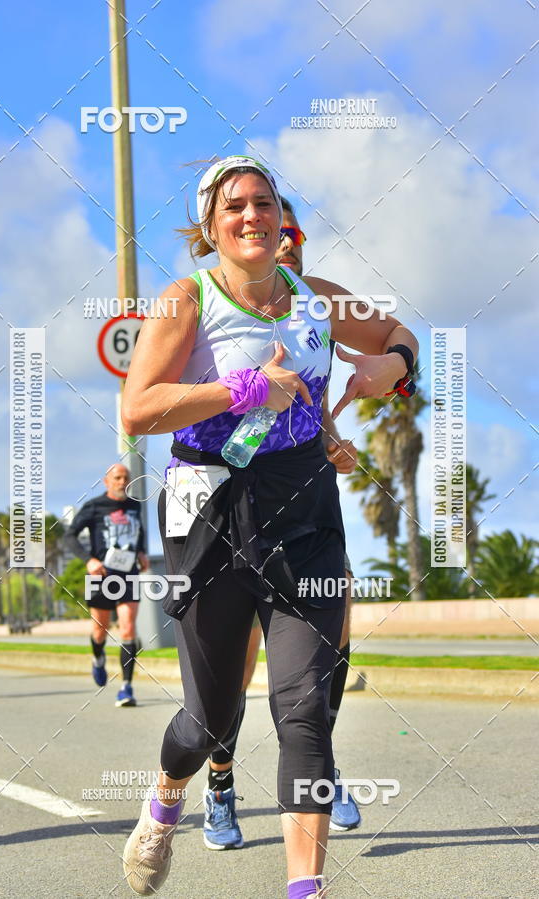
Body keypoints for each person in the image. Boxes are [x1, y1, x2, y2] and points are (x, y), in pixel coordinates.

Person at [120, 154, 418, 898]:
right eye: (234, 207)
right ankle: (166, 798)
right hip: (210, 511)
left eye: (264, 202)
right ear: (209, 228)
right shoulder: (184, 300)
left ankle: (304, 889)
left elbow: (396, 335)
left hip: (303, 512)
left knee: (303, 708)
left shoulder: (316, 298)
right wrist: (252, 384)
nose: (252, 216)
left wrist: (395, 366)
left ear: (282, 217)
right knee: (211, 717)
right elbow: (139, 407)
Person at [200, 197, 361, 852]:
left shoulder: (315, 315)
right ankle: (219, 781)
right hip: (237, 502)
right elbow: (224, 434)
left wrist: (333, 439)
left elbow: (318, 405)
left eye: (291, 231)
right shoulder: (231, 313)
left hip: (310, 502)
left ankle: (315, 764)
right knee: (233, 666)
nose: (282, 242)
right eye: (271, 231)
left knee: (336, 634)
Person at [64, 463, 149, 707]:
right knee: (100, 630)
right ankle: (98, 657)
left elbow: (138, 532)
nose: (122, 482)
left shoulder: (134, 505)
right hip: (101, 575)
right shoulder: (93, 506)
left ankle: (126, 687)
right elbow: (70, 536)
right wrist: (89, 560)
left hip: (128, 573)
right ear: (106, 481)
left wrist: (142, 552)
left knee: (127, 629)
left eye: (126, 478)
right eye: (118, 478)